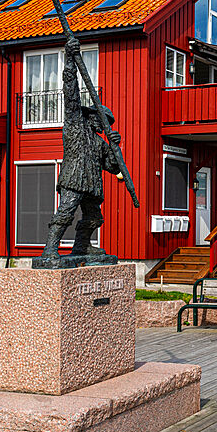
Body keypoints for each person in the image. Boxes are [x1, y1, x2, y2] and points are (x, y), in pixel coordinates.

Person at [39, 37, 122, 265]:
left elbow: (113, 167)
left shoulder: (100, 142)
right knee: (65, 212)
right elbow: (71, 91)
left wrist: (116, 147)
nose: (106, 126)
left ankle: (81, 246)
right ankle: (49, 249)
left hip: (92, 185)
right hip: (74, 179)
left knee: (94, 217)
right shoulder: (75, 123)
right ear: (95, 117)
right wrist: (69, 60)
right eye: (105, 122)